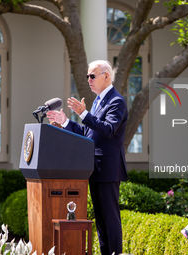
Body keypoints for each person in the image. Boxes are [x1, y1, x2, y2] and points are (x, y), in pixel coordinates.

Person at [47, 60, 128, 255]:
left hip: (108, 168)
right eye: (87, 76)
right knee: (100, 219)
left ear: (106, 76)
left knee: (110, 218)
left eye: (92, 76)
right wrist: (65, 121)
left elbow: (108, 130)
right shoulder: (99, 100)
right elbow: (88, 131)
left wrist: (84, 113)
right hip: (94, 167)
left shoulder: (116, 101)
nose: (89, 80)